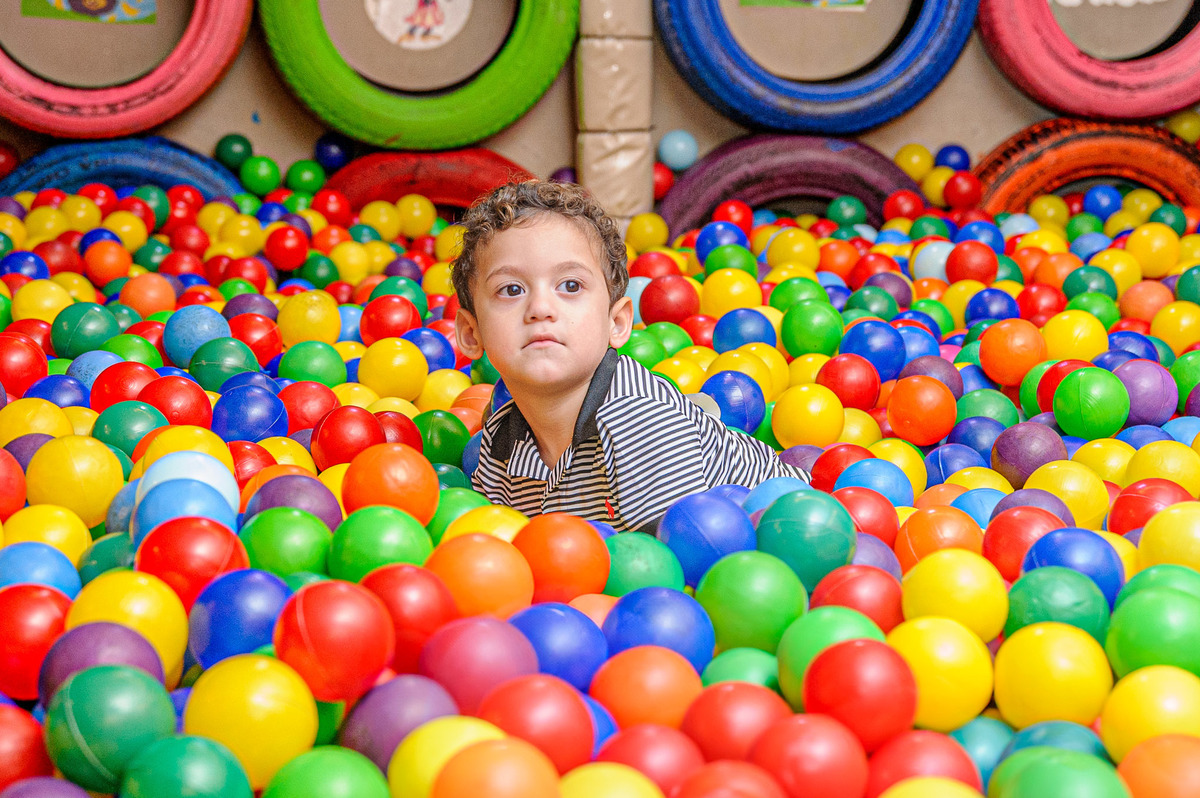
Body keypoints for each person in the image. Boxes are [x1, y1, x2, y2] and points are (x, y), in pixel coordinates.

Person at [452, 180, 811, 534]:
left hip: (797, 525)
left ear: (618, 323)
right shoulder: (498, 442)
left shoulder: (637, 417)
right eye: (511, 289)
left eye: (570, 286)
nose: (541, 308)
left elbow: (673, 561)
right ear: (471, 333)